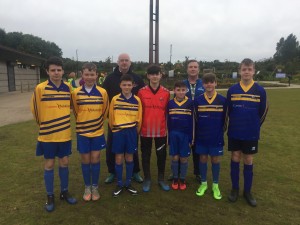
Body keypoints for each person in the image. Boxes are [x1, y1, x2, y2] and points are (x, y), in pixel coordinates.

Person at [30, 56, 77, 212]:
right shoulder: (40, 88)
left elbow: (72, 106)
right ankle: (50, 195)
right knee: (49, 164)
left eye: (58, 70)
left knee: (64, 162)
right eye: (53, 70)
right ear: (47, 71)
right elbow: (36, 111)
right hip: (48, 134)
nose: (56, 73)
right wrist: (45, 125)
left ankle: (64, 192)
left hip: (64, 134)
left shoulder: (68, 88)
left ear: (63, 71)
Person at [227, 58, 268, 207]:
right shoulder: (232, 90)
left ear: (253, 71)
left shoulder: (260, 90)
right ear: (240, 71)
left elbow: (263, 111)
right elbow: (229, 111)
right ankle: (235, 189)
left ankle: (248, 191)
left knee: (248, 159)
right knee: (235, 157)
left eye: (249, 69)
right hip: (235, 131)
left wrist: (255, 126)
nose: (246, 72)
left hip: (251, 132)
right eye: (244, 69)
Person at [102, 53, 144, 184]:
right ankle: (112, 172)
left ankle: (135, 172)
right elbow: (105, 99)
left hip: (131, 123)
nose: (124, 63)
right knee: (112, 148)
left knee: (132, 149)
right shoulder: (109, 79)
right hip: (115, 123)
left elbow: (141, 97)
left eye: (126, 60)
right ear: (118, 62)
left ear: (130, 62)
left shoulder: (137, 78)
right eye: (122, 60)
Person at [71, 63, 109, 201]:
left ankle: (95, 187)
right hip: (82, 132)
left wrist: (96, 123)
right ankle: (87, 186)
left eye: (92, 75)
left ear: (96, 75)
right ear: (82, 75)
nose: (89, 77)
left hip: (97, 132)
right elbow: (76, 111)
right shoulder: (75, 93)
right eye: (86, 74)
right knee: (85, 160)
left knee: (96, 159)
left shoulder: (102, 92)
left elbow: (105, 112)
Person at [169, 60, 205, 182]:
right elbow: (175, 102)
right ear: (187, 69)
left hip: (200, 120)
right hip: (185, 119)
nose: (193, 69)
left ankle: (198, 172)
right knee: (180, 148)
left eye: (195, 67)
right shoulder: (182, 84)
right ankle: (176, 173)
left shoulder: (202, 83)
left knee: (197, 148)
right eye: (191, 67)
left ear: (198, 69)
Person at [194, 73, 228, 200]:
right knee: (202, 159)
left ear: (215, 83)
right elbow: (196, 119)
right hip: (202, 136)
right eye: (206, 82)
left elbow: (225, 120)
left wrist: (220, 132)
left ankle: (215, 185)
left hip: (216, 136)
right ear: (203, 84)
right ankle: (203, 183)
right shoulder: (198, 100)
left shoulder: (223, 100)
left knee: (215, 160)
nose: (209, 84)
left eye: (211, 82)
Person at [138, 64, 170, 192]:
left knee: (161, 155)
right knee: (145, 155)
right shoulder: (141, 92)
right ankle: (147, 179)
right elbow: (139, 111)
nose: (154, 76)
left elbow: (167, 112)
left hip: (161, 130)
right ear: (148, 76)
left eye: (157, 74)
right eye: (152, 74)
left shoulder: (166, 93)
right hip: (145, 130)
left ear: (160, 76)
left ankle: (161, 179)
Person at [109, 74, 142, 197]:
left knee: (129, 157)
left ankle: (128, 183)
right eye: (124, 85)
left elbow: (139, 118)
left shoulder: (137, 100)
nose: (127, 87)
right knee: (118, 158)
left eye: (129, 85)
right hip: (118, 132)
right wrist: (116, 130)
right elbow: (111, 117)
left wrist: (135, 132)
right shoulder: (115, 99)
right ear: (120, 85)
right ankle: (119, 183)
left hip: (131, 132)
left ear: (133, 85)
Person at [167, 81, 194, 191]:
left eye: (183, 90)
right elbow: (167, 121)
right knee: (175, 157)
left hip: (185, 135)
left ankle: (182, 179)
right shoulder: (170, 104)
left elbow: (193, 122)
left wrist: (191, 137)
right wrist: (168, 136)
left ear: (186, 91)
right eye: (178, 90)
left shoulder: (190, 103)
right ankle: (175, 178)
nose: (181, 92)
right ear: (174, 91)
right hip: (173, 134)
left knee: (183, 158)